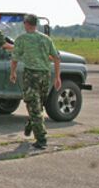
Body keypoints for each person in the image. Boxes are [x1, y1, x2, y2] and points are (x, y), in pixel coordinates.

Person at [9, 14, 61, 150]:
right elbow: (56, 57)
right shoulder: (46, 39)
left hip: (31, 75)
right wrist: (57, 77)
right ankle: (32, 124)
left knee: (35, 107)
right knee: (38, 106)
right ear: (36, 24)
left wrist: (13, 73)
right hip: (45, 76)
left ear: (26, 24)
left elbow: (14, 58)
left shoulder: (22, 39)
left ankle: (41, 139)